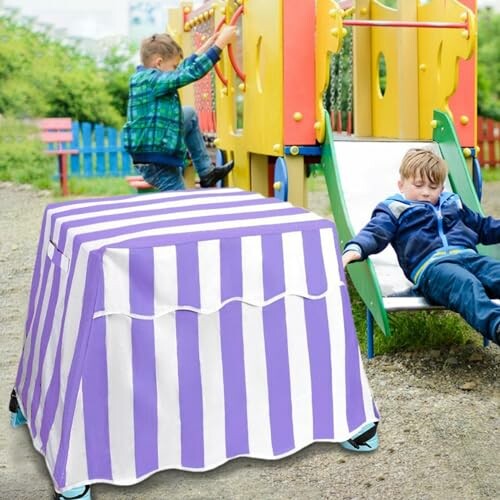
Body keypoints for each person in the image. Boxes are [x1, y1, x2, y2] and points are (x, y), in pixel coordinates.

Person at [342, 148, 500, 346]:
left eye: (433, 187)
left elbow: (483, 227)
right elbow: (375, 232)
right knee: (466, 285)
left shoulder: (453, 203)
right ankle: (497, 325)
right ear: (401, 185)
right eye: (418, 185)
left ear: (442, 189)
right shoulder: (394, 209)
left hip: (470, 258)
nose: (425, 192)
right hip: (432, 268)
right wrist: (355, 248)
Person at [123, 28, 237, 191]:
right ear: (159, 63)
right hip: (156, 162)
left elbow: (181, 71)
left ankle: (206, 172)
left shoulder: (145, 78)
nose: (176, 70)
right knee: (178, 202)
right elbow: (187, 74)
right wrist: (219, 45)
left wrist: (205, 47)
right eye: (174, 66)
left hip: (152, 153)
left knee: (188, 114)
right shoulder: (154, 81)